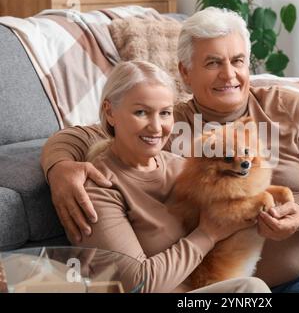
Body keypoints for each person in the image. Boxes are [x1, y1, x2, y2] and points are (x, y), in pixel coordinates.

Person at [41, 8, 299, 292]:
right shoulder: (168, 121)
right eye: (213, 63)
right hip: (289, 279)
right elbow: (85, 134)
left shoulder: (289, 107)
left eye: (238, 60)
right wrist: (60, 166)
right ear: (185, 72)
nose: (230, 74)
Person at [62, 59, 270, 293]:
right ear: (110, 112)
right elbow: (138, 285)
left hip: (204, 287)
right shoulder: (99, 187)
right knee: (251, 291)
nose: (156, 127)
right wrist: (207, 234)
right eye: (141, 112)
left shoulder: (181, 167)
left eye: (165, 113)